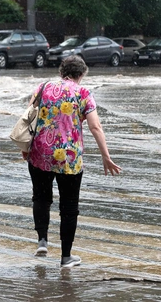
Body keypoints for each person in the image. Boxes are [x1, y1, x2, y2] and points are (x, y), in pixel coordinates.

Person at [22, 55, 121, 268]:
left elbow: (29, 117)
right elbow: (95, 127)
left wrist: (25, 147)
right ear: (81, 74)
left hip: (40, 152)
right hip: (69, 157)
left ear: (61, 71)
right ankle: (66, 257)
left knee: (41, 197)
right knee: (69, 206)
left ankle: (42, 240)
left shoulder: (43, 87)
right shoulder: (83, 93)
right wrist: (106, 156)